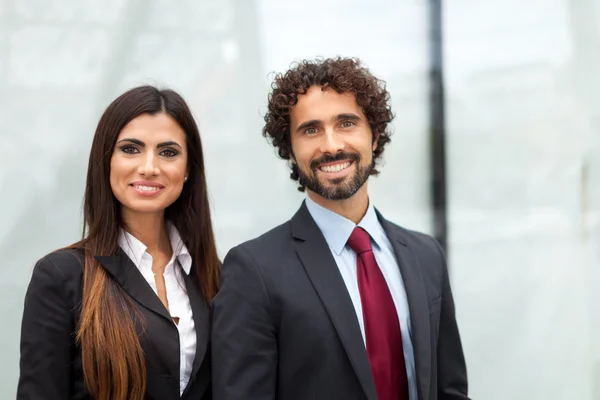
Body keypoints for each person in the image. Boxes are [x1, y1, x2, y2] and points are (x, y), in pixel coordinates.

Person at [211, 57, 470, 400]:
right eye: (311, 129)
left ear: (374, 137)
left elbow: (449, 389)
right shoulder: (254, 271)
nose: (331, 145)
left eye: (346, 123)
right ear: (289, 149)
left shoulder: (426, 256)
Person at [17, 85, 219, 400]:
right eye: (130, 149)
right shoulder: (62, 277)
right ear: (106, 160)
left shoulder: (213, 277)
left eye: (168, 152)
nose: (150, 167)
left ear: (188, 168)